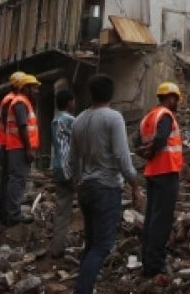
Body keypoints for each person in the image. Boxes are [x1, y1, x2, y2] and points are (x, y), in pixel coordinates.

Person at [70, 75, 142, 294]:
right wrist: (135, 185)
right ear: (111, 94)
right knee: (102, 246)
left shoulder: (79, 120)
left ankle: (85, 287)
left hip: (86, 187)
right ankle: (82, 290)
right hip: (106, 187)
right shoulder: (113, 118)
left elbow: (73, 160)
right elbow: (122, 157)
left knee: (92, 244)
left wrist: (78, 182)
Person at [137, 82, 184, 278]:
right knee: (161, 219)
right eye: (176, 99)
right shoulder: (165, 115)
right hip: (166, 170)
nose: (177, 103)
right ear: (170, 97)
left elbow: (137, 142)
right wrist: (152, 150)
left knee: (151, 217)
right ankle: (155, 263)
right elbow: (162, 138)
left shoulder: (148, 117)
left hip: (152, 172)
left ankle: (147, 259)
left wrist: (146, 152)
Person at [5, 73, 41, 225]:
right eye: (33, 88)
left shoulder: (23, 102)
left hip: (18, 147)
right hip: (19, 147)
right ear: (25, 88)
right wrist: (29, 149)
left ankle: (12, 213)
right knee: (17, 180)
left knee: (17, 180)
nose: (36, 91)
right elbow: (22, 127)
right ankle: (14, 215)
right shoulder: (20, 103)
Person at [46, 89, 76, 258]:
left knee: (62, 208)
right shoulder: (70, 120)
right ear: (69, 102)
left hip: (57, 167)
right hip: (70, 169)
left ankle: (57, 246)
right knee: (90, 205)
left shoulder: (54, 120)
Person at [0, 71, 23, 222]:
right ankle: (6, 214)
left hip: (5, 143)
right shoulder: (11, 100)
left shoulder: (8, 99)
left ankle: (2, 212)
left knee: (7, 179)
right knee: (10, 179)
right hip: (7, 144)